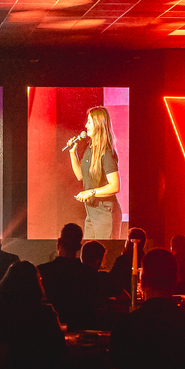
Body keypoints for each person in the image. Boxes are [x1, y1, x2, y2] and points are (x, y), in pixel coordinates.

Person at [67, 106, 122, 240]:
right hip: (91, 211)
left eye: (90, 122)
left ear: (98, 124)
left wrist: (90, 192)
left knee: (104, 255)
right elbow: (80, 176)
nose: (86, 126)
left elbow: (115, 186)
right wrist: (72, 154)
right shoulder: (89, 148)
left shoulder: (107, 152)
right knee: (89, 253)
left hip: (105, 211)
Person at [38, 222, 98, 331]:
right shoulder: (91, 274)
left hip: (50, 330)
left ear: (59, 242)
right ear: (79, 246)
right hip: (83, 330)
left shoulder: (41, 272)